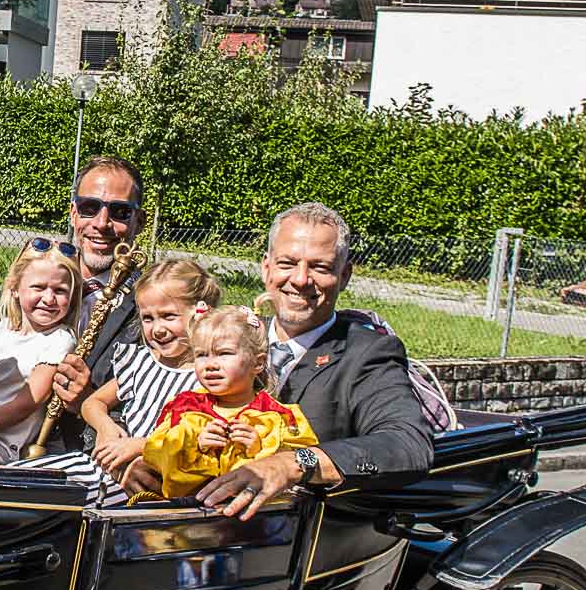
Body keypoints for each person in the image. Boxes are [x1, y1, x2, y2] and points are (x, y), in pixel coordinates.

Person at [192, 202, 435, 521]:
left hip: (303, 544)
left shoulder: (368, 353)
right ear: (266, 268)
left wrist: (295, 464)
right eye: (287, 263)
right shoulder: (233, 338)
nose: (301, 279)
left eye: (320, 267)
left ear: (344, 275)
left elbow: (407, 445)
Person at [0, 156, 148, 447]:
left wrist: (87, 401)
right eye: (90, 208)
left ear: (138, 222)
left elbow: (145, 403)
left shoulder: (149, 308)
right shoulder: (50, 268)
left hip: (70, 452)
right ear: (73, 214)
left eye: (119, 212)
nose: (101, 223)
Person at [132, 306, 319, 501]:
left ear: (258, 363)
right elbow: (156, 458)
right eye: (201, 355)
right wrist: (194, 447)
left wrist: (260, 449)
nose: (211, 364)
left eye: (224, 353)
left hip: (256, 523)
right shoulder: (184, 410)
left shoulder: (277, 417)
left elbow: (299, 470)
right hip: (187, 517)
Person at [78, 255, 222, 485]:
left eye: (168, 316)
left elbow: (198, 438)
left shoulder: (208, 378)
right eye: (148, 318)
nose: (157, 329)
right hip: (108, 466)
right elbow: (92, 403)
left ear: (202, 315)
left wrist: (140, 445)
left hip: (152, 480)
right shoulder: (140, 362)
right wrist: (105, 428)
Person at [0, 240, 82, 465]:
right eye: (38, 288)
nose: (48, 299)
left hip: (0, 442)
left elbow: (29, 401)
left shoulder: (59, 340)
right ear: (15, 288)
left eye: (60, 291)